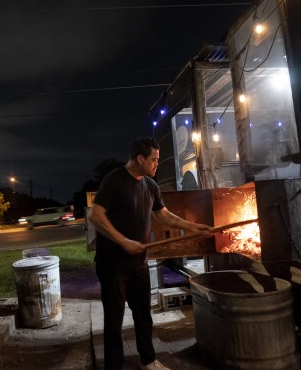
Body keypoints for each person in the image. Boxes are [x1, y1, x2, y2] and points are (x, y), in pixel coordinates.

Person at [89, 137, 211, 370]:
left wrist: (194, 227)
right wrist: (124, 241)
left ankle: (148, 360)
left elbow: (164, 215)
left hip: (139, 261)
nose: (157, 164)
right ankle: (113, 366)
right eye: (153, 160)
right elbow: (96, 216)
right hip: (113, 263)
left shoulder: (150, 185)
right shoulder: (114, 181)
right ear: (140, 158)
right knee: (114, 319)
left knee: (143, 314)